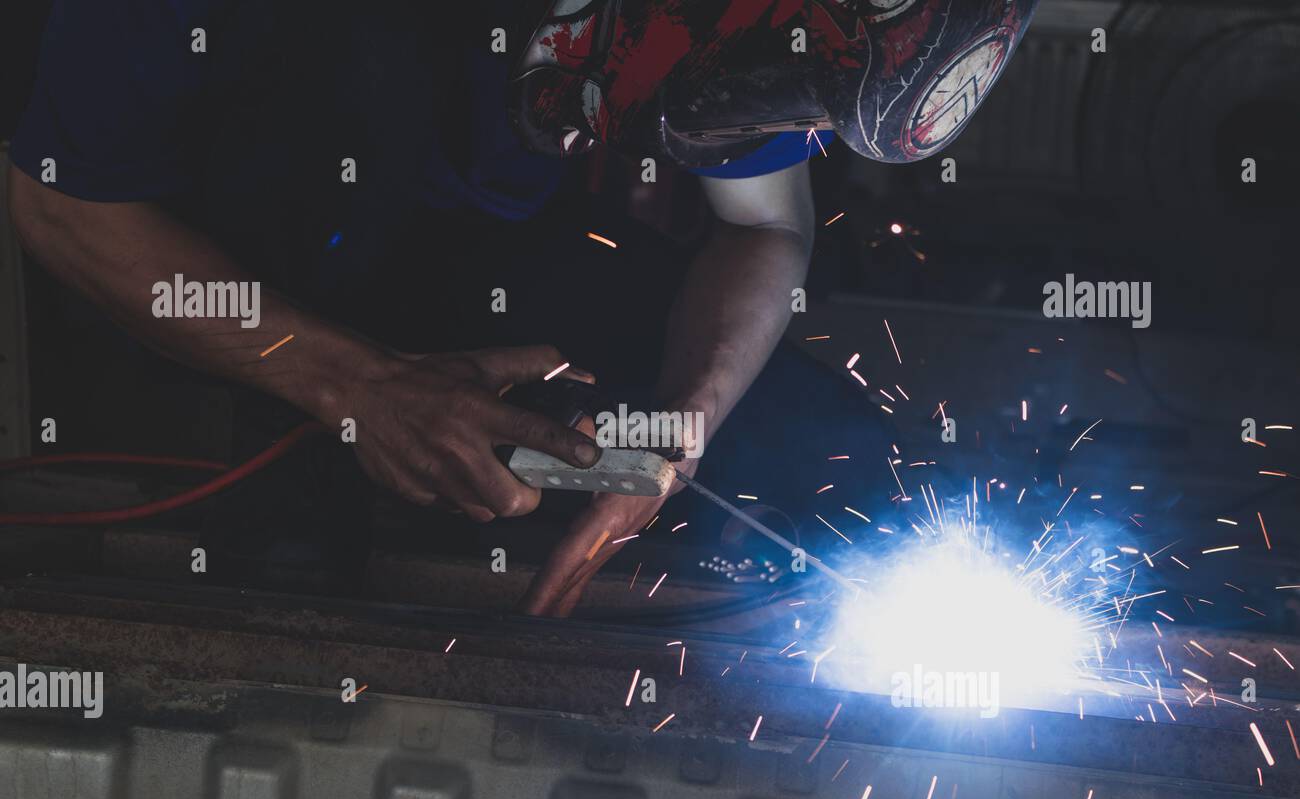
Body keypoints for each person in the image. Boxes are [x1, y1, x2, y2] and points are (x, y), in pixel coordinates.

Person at [7, 0, 1037, 615]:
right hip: (226, 253)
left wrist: (683, 416)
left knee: (816, 443)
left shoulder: (749, 28)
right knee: (287, 568)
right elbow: (60, 207)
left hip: (467, 238)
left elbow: (762, 227)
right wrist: (354, 383)